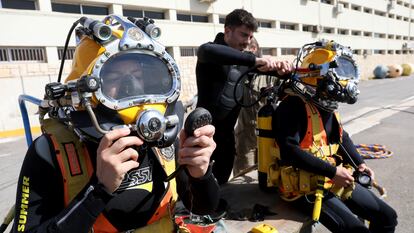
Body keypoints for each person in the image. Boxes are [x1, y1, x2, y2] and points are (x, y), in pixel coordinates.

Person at [11, 15, 219, 233]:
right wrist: (98, 191)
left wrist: (201, 175)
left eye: (139, 76)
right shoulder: (50, 152)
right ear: (85, 90)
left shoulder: (164, 145)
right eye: (114, 78)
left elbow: (204, 207)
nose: (131, 86)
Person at [271, 41, 397, 232]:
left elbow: (341, 137)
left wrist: (359, 163)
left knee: (388, 217)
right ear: (318, 73)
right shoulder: (292, 106)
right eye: (341, 71)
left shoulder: (327, 105)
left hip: (332, 178)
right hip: (303, 188)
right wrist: (332, 172)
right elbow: (289, 151)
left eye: (349, 71)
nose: (347, 79)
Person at [196, 9, 292, 184]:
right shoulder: (209, 52)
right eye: (243, 35)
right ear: (227, 31)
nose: (247, 41)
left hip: (226, 137)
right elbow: (207, 51)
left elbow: (276, 72)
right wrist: (255, 61)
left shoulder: (246, 59)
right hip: (203, 135)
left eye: (250, 37)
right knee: (199, 187)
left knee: (223, 182)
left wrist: (284, 69)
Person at [233, 37, 279, 176]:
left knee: (270, 174)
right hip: (245, 138)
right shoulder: (238, 74)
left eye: (242, 51)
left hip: (268, 135)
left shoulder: (270, 73)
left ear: (253, 49)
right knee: (243, 176)